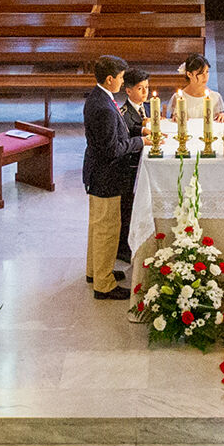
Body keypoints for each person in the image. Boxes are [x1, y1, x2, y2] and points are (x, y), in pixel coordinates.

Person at [84, 55, 142, 300]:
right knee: (107, 228)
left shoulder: (99, 98)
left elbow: (115, 132)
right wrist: (139, 142)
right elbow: (112, 149)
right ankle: (104, 284)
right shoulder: (104, 108)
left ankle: (95, 271)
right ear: (110, 79)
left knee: (97, 226)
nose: (121, 82)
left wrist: (138, 130)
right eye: (119, 78)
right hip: (107, 176)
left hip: (97, 173)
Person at [115, 67, 153, 267]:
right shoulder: (124, 112)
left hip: (139, 163)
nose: (145, 92)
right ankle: (123, 247)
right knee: (127, 207)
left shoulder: (143, 107)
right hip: (128, 167)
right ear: (128, 91)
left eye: (146, 88)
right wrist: (143, 130)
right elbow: (127, 131)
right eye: (140, 89)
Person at [175, 54, 224, 122]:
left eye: (207, 72)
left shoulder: (215, 96)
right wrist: (176, 117)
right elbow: (174, 120)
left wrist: (222, 115)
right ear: (189, 74)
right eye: (200, 73)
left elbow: (218, 118)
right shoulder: (179, 97)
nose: (205, 76)